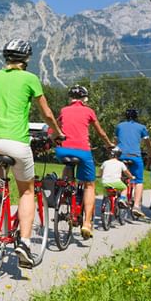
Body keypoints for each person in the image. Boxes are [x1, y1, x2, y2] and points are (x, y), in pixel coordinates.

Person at [0, 39, 64, 269]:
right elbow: (46, 113)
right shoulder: (30, 78)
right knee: (27, 191)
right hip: (15, 141)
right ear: (26, 59)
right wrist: (57, 132)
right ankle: (24, 243)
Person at [54, 85, 116, 239]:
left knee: (68, 166)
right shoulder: (89, 111)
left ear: (70, 98)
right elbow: (100, 132)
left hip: (62, 151)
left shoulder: (64, 110)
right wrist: (109, 144)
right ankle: (87, 223)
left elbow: (54, 128)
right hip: (82, 151)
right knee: (89, 185)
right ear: (85, 99)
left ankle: (65, 191)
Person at [114, 108, 149, 218]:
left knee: (122, 177)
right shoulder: (142, 127)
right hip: (135, 156)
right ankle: (136, 206)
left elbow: (115, 141)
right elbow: (147, 143)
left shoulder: (119, 126)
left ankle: (122, 197)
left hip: (121, 155)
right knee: (138, 181)